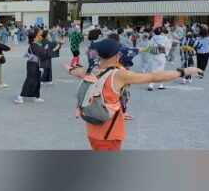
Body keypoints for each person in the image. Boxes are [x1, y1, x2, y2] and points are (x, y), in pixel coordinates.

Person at [68, 39, 201, 150]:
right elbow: (155, 77)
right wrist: (183, 71)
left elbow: (75, 71)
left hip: (92, 130)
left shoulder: (91, 70)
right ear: (116, 55)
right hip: (109, 135)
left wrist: (68, 68)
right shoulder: (119, 75)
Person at [15, 27, 59, 103]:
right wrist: (53, 49)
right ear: (35, 38)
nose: (39, 37)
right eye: (38, 36)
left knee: (37, 80)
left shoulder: (35, 45)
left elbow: (42, 52)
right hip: (32, 65)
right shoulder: (34, 46)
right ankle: (20, 96)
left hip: (35, 64)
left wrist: (45, 49)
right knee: (30, 80)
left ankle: (36, 96)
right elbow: (44, 54)